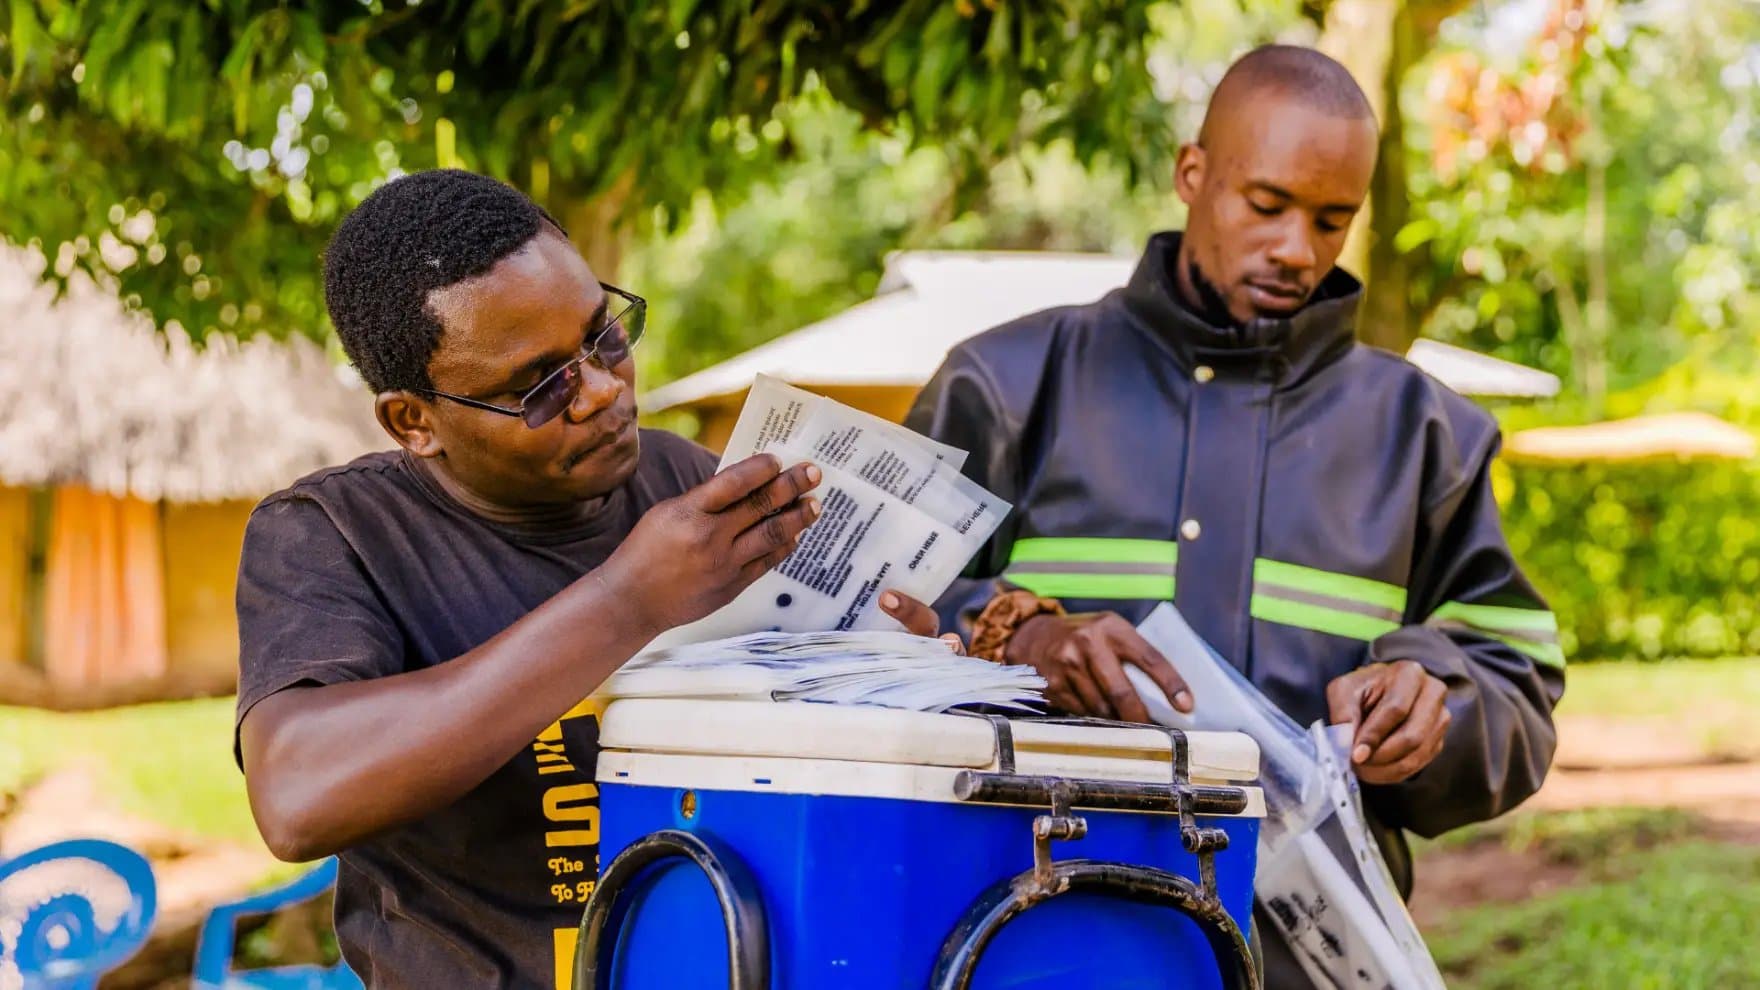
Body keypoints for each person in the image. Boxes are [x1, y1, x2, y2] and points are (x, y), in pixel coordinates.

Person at [906, 45, 1564, 984]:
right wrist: (1016, 637)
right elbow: (854, 632)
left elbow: (1516, 681)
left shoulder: (1427, 435)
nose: (1298, 250)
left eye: (1333, 221)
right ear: (1192, 174)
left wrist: (1440, 705)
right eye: (1267, 206)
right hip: (1027, 949)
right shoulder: (1005, 384)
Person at [234, 169, 948, 989]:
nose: (604, 390)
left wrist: (893, 668)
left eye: (603, 337)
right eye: (541, 386)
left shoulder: (693, 487)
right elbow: (296, 796)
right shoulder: (334, 535)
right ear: (415, 421)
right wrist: (629, 600)